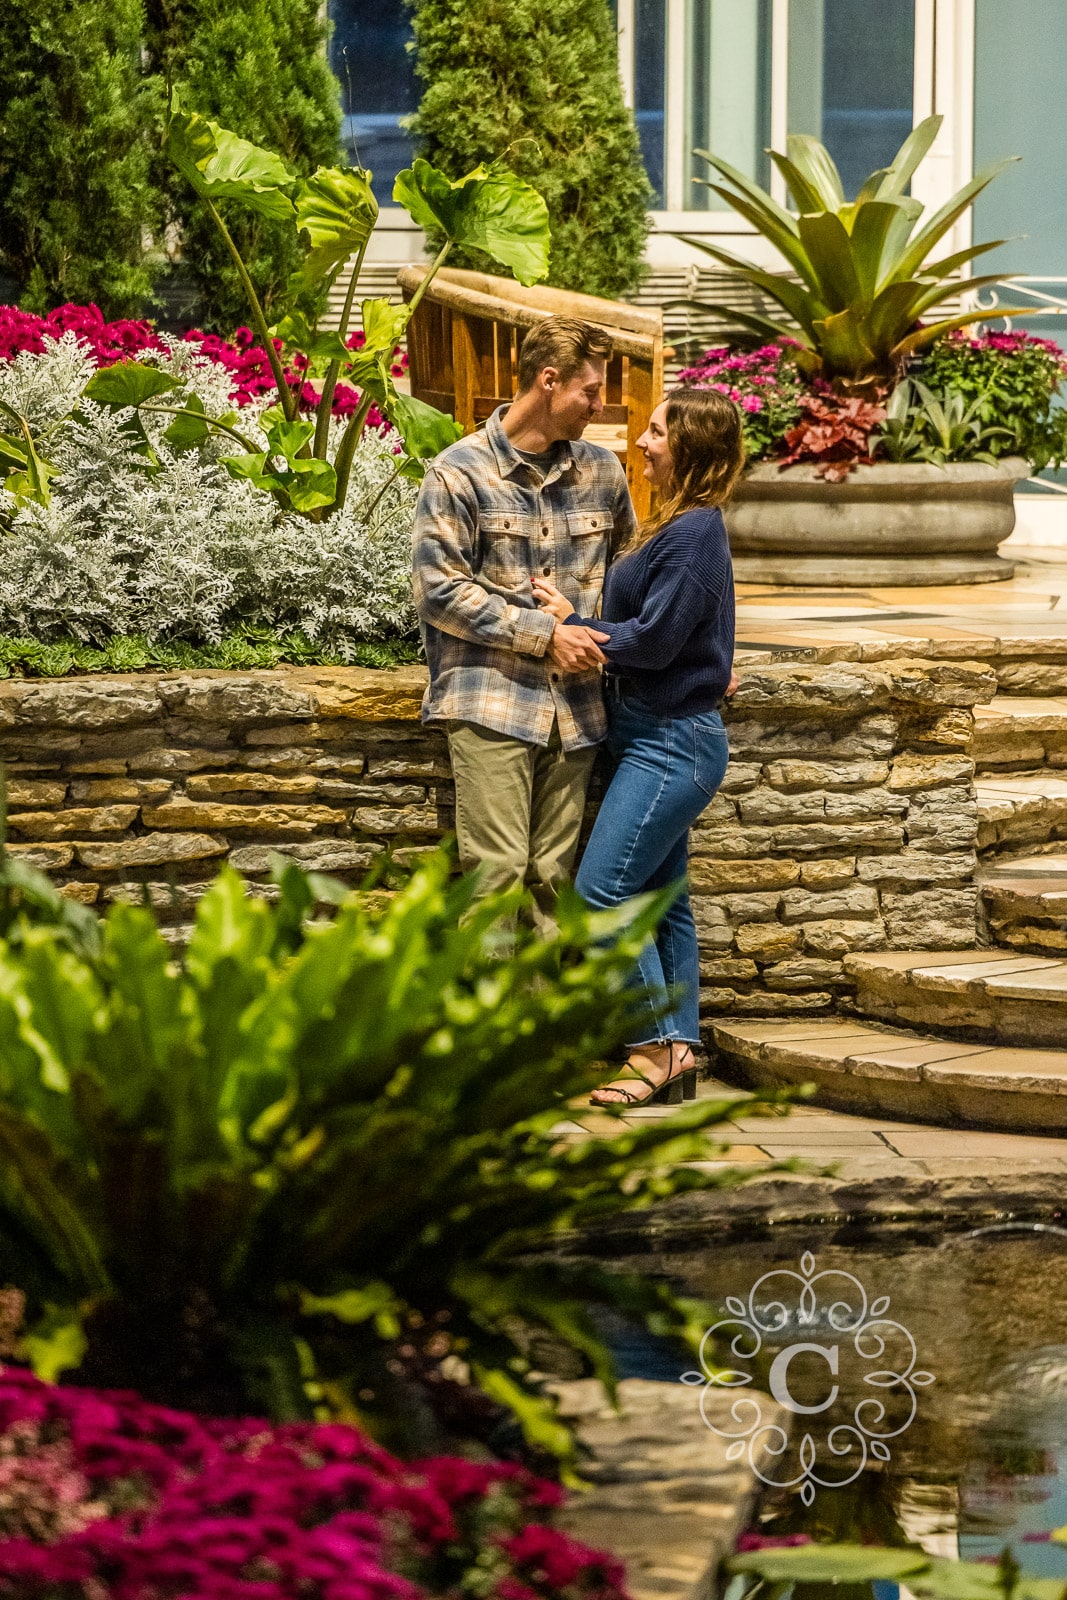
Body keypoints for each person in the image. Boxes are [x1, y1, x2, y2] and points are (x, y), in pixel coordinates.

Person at [532, 386, 743, 1105]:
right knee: (663, 899)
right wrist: (578, 616)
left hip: (670, 743)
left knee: (597, 895)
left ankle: (648, 1051)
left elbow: (653, 643)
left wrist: (578, 633)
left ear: (690, 447)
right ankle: (679, 1049)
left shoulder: (693, 532)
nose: (643, 442)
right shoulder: (677, 525)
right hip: (652, 736)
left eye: (656, 432)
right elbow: (670, 629)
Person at [411, 316, 637, 933]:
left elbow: (631, 575)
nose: (598, 404)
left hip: (579, 711)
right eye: (589, 391)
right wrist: (544, 635)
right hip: (491, 701)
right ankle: (489, 1030)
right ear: (548, 380)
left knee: (552, 882)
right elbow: (438, 591)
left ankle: (540, 1032)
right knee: (497, 877)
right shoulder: (458, 473)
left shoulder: (604, 472)